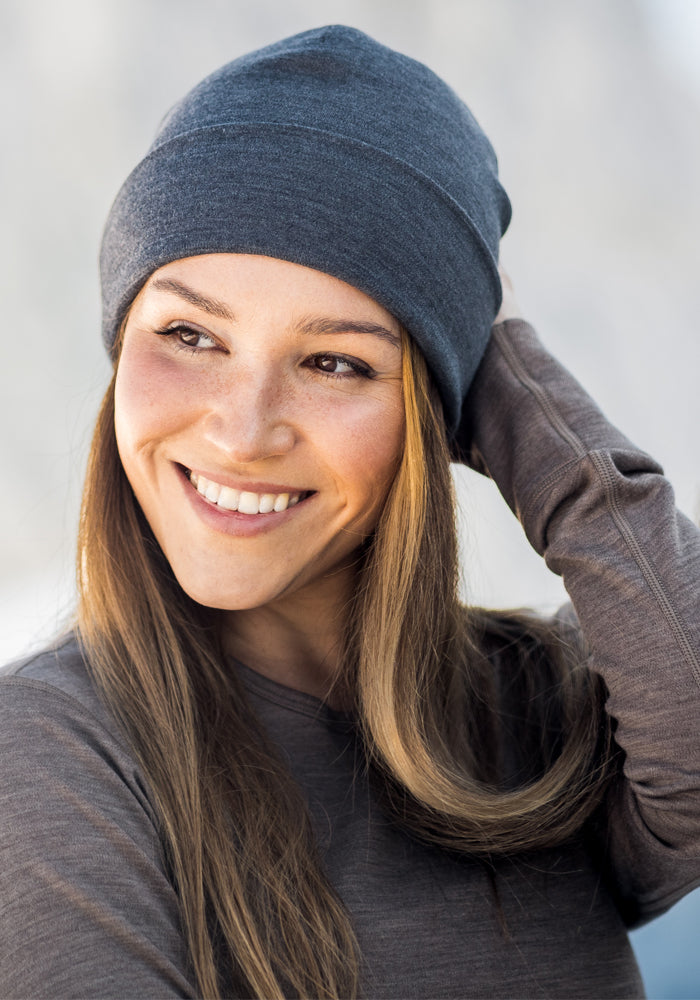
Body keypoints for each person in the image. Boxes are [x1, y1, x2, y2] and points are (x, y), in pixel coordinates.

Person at [0, 24, 698, 1000]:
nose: (243, 430)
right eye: (189, 333)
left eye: (335, 361)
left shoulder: (535, 709)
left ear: (429, 418)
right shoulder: (50, 754)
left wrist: (506, 394)